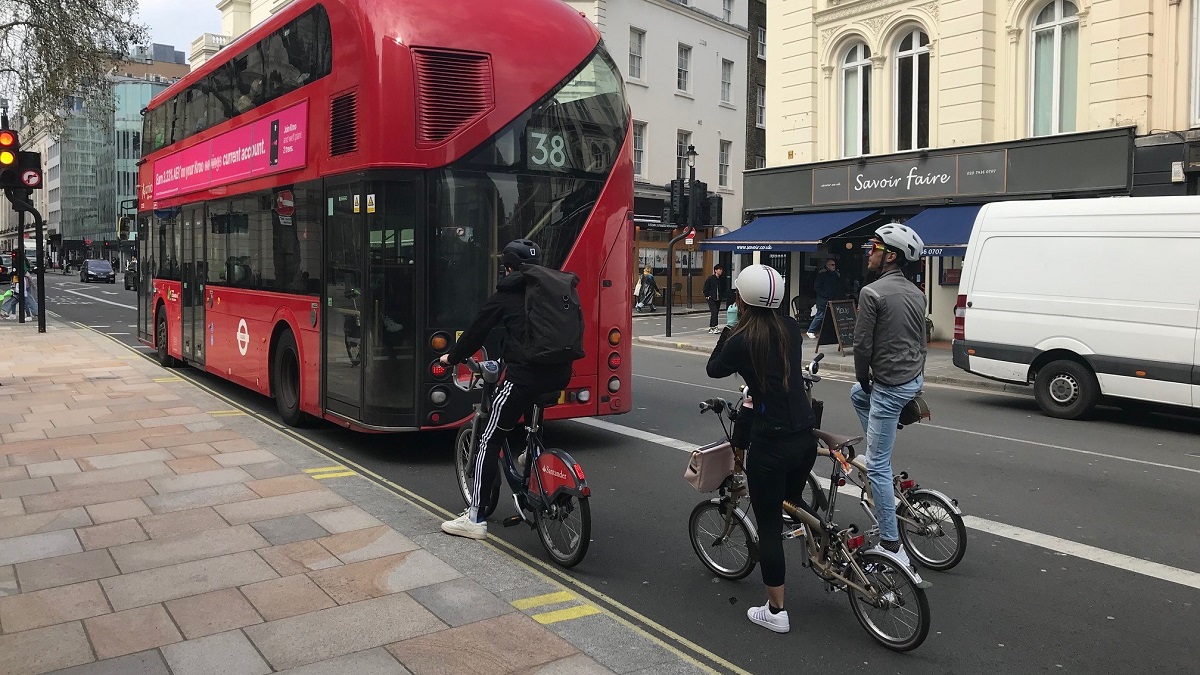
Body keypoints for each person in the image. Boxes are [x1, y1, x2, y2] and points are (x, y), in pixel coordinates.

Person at [706, 264, 818, 634]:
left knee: (768, 525)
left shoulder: (742, 339)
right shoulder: (789, 328)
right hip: (805, 435)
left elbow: (714, 369)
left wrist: (728, 326)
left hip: (772, 441)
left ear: (741, 299)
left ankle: (776, 610)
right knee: (792, 503)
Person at [438, 239, 573, 540]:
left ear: (509, 267)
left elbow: (475, 333)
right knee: (530, 417)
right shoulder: (550, 290)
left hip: (525, 376)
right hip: (561, 373)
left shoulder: (506, 294)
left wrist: (452, 357)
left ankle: (474, 519)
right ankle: (530, 455)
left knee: (489, 436)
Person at [849, 223, 927, 578]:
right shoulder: (917, 292)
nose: (870, 252)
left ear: (890, 255)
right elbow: (920, 338)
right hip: (913, 379)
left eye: (875, 247)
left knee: (877, 466)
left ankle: (892, 547)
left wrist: (864, 375)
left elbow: (862, 345)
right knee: (855, 396)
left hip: (890, 385)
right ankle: (881, 448)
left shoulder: (872, 292)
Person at [806, 258, 844, 339]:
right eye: (832, 265)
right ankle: (811, 330)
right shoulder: (822, 275)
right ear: (827, 266)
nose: (834, 266)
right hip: (823, 300)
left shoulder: (836, 275)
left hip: (832, 299)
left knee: (831, 317)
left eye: (834, 265)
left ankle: (830, 332)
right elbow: (817, 287)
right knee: (820, 315)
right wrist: (825, 294)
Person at [703, 264, 728, 333]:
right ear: (715, 270)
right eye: (719, 269)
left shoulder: (721, 279)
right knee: (714, 312)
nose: (721, 271)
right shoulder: (710, 279)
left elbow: (723, 288)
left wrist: (722, 296)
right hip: (711, 298)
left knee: (715, 313)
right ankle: (714, 327)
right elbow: (705, 288)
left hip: (718, 298)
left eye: (721, 269)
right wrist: (707, 295)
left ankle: (712, 327)